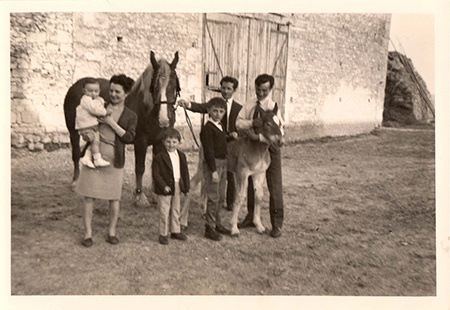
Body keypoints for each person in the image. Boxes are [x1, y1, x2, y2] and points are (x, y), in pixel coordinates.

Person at [75, 74, 137, 247]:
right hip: (94, 156)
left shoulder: (131, 115)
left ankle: (112, 232)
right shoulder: (98, 105)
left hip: (114, 158)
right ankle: (88, 234)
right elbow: (83, 121)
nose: (113, 95)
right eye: (111, 91)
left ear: (126, 94)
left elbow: (129, 138)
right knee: (88, 196)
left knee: (114, 197)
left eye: (118, 92)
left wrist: (110, 122)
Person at [177, 76, 242, 211]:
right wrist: (188, 104)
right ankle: (204, 200)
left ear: (234, 90)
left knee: (230, 173)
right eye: (223, 88)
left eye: (229, 88)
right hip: (212, 144)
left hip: (231, 145)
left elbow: (241, 124)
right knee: (207, 171)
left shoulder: (239, 108)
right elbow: (201, 107)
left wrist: (236, 135)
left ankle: (228, 202)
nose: (225, 91)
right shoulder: (214, 104)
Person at [235, 74, 285, 238]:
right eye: (258, 90)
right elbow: (238, 122)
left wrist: (260, 138)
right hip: (252, 147)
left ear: (270, 89)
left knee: (274, 184)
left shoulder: (273, 106)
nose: (261, 93)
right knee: (252, 181)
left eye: (264, 90)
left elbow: (280, 130)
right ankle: (251, 216)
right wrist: (251, 124)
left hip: (269, 147)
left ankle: (276, 224)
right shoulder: (250, 103)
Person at [200, 97, 232, 241]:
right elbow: (208, 150)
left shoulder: (219, 125)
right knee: (213, 196)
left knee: (220, 196)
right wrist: (213, 171)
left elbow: (221, 141)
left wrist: (230, 136)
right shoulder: (208, 128)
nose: (218, 114)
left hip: (223, 162)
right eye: (215, 111)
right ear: (208, 110)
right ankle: (209, 227)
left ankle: (217, 223)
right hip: (214, 164)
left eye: (221, 111)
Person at [152, 128, 190, 245]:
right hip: (166, 187)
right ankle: (163, 233)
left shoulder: (181, 156)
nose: (171, 145)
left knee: (176, 209)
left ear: (179, 142)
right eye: (168, 142)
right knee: (164, 210)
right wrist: (163, 185)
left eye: (174, 142)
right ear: (163, 142)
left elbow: (185, 172)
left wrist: (186, 187)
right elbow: (156, 174)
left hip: (177, 184)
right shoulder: (159, 157)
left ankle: (175, 230)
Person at [75, 78, 111, 168]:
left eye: (96, 91)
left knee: (95, 141)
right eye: (90, 91)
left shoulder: (94, 99)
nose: (93, 93)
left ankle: (86, 157)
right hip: (86, 126)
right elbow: (94, 109)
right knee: (95, 141)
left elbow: (97, 103)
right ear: (84, 91)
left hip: (91, 126)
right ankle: (97, 159)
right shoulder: (86, 100)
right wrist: (105, 112)